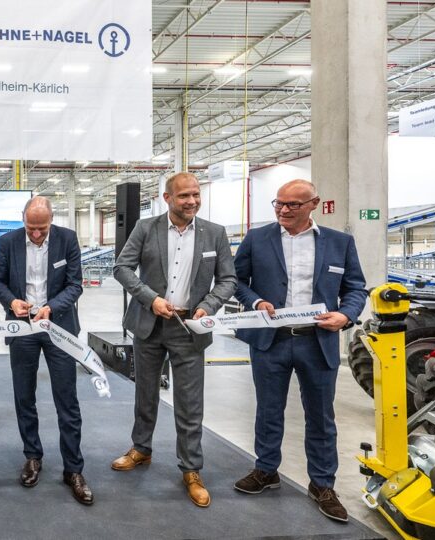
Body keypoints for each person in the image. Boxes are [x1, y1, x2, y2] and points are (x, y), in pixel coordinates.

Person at [232, 179, 367, 523]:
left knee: (321, 415)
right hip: (271, 341)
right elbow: (236, 281)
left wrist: (346, 315)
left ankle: (322, 484)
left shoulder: (339, 242)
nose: (283, 210)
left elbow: (356, 288)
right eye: (279, 203)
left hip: (317, 341)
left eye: (292, 204)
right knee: (268, 410)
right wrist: (256, 301)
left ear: (314, 205)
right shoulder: (257, 239)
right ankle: (266, 470)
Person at [110, 172, 236, 508]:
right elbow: (122, 268)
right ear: (167, 198)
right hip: (149, 325)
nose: (192, 201)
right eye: (184, 196)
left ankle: (191, 469)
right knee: (145, 393)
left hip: (189, 328)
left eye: (196, 194)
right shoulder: (145, 228)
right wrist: (150, 298)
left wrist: (208, 306)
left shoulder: (215, 233)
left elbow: (228, 279)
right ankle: (141, 449)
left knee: (190, 403)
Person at [0, 196, 92, 505]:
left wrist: (51, 308)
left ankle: (73, 469)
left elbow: (75, 285)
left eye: (42, 229)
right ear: (23, 220)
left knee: (67, 400)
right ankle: (32, 456)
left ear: (51, 221)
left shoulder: (67, 239)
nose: (36, 234)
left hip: (59, 327)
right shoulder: (8, 242)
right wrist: (12, 302)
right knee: (24, 397)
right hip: (22, 328)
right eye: (31, 228)